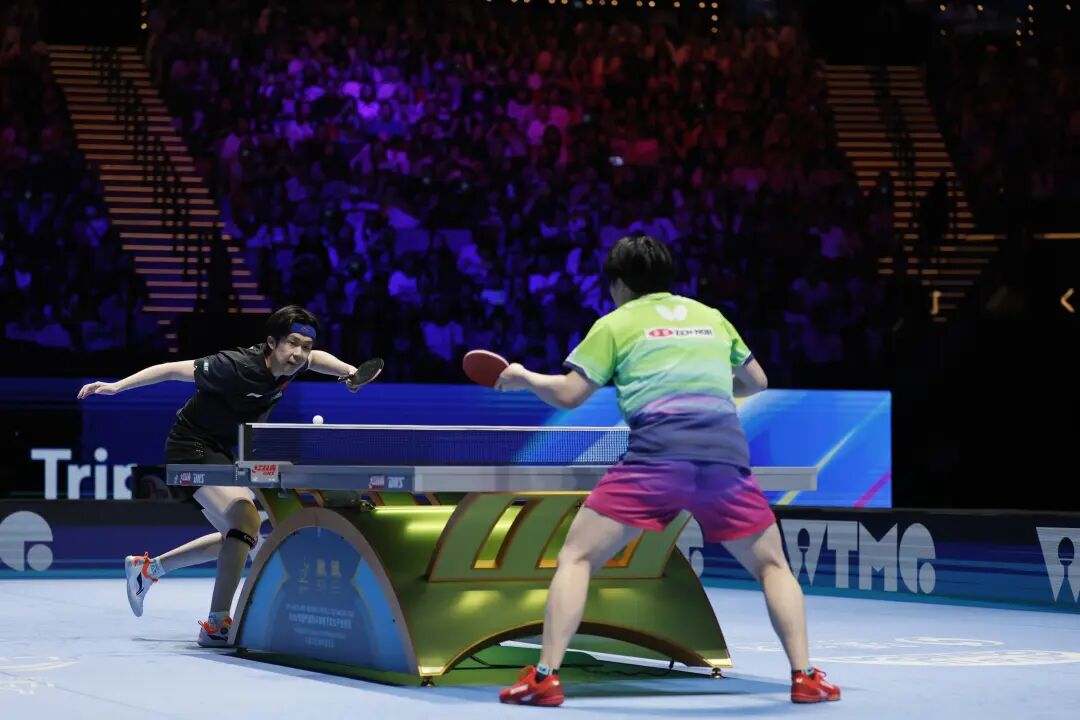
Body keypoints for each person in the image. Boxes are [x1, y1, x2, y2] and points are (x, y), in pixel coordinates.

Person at [492, 235, 840, 705]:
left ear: (618, 283)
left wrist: (523, 378)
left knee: (577, 557)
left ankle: (545, 678)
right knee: (773, 566)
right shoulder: (710, 316)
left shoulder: (615, 324)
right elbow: (757, 381)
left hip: (656, 459)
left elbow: (571, 395)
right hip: (724, 458)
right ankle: (806, 677)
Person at [77, 306, 370, 646]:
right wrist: (116, 387)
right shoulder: (235, 366)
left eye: (305, 345)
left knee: (242, 536)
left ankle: (148, 570)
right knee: (245, 520)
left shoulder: (294, 361)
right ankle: (216, 624)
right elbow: (172, 369)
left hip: (224, 450)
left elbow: (316, 359)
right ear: (272, 342)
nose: (299, 353)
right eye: (292, 343)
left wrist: (350, 372)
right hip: (192, 445)